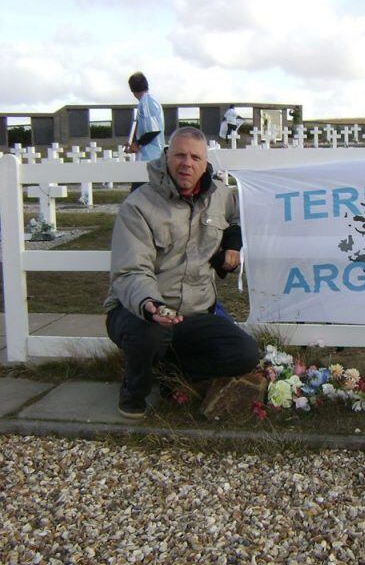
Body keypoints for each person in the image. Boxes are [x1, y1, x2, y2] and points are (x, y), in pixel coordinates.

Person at [105, 127, 262, 419]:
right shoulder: (138, 205)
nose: (186, 163)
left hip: (195, 312)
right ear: (166, 157)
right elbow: (131, 270)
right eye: (179, 155)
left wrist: (232, 241)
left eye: (195, 157)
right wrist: (151, 305)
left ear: (205, 164)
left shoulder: (219, 195)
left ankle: (167, 374)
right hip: (140, 310)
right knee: (150, 333)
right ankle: (134, 389)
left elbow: (237, 213)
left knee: (245, 354)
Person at [127, 71, 164, 191]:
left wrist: (137, 144)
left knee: (137, 195)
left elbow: (153, 130)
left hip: (150, 157)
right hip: (149, 156)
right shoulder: (149, 101)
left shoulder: (146, 102)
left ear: (132, 90)